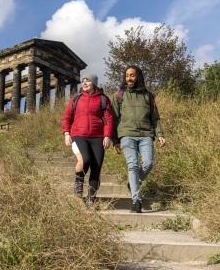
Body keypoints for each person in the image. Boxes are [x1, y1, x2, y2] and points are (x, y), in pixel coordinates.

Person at [111, 66, 166, 213]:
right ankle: (136, 200)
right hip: (127, 134)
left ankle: (133, 183)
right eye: (127, 75)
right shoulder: (119, 95)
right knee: (133, 166)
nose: (129, 78)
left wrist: (159, 134)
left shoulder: (149, 96)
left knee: (148, 164)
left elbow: (155, 118)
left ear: (138, 77)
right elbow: (114, 119)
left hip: (146, 134)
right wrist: (114, 139)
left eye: (132, 75)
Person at [62, 74, 113, 208]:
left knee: (96, 168)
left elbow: (109, 119)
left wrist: (107, 136)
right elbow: (67, 117)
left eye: (88, 81)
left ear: (94, 84)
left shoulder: (103, 99)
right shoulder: (77, 98)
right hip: (79, 135)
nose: (84, 83)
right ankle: (79, 180)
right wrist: (67, 133)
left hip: (98, 137)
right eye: (83, 81)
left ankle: (91, 198)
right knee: (85, 160)